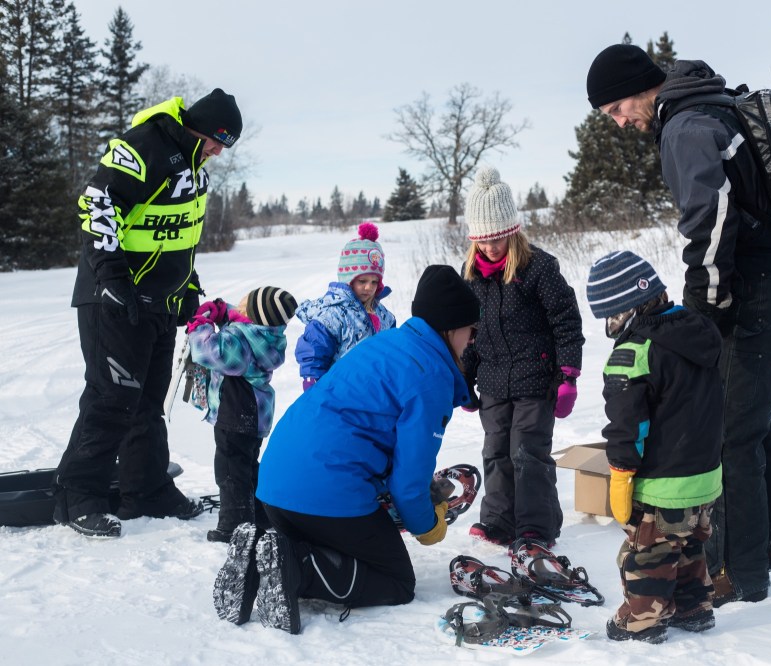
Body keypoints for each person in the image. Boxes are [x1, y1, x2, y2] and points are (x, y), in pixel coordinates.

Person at [587, 46, 771, 605]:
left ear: (644, 87)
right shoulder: (703, 107)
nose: (620, 122)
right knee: (748, 410)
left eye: (618, 107)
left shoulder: (685, 127)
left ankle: (739, 574)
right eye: (609, 116)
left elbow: (709, 223)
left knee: (730, 429)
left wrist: (701, 309)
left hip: (766, 281)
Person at [212, 265, 480, 635]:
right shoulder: (430, 374)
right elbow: (408, 481)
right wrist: (427, 524)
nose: (472, 339)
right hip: (324, 492)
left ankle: (263, 549)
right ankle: (297, 567)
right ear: (451, 328)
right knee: (397, 581)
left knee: (331, 532)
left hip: (273, 485)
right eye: (471, 329)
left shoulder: (385, 343)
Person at [53, 88, 243, 538]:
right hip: (112, 298)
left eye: (225, 145)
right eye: (217, 140)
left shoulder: (195, 170)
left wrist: (188, 287)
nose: (218, 151)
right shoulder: (146, 144)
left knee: (147, 402)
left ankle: (147, 490)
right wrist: (114, 278)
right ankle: (78, 497)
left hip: (158, 303)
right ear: (199, 127)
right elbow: (97, 204)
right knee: (111, 398)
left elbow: (179, 236)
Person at [587, 250, 723, 644]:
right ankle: (695, 608)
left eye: (611, 316)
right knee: (687, 547)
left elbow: (628, 426)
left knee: (647, 554)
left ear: (628, 309)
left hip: (662, 483)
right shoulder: (698, 330)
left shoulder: (633, 354)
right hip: (706, 476)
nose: (610, 327)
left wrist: (620, 477)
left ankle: (642, 620)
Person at [460, 165, 585, 549]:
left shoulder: (538, 268)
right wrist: (464, 377)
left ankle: (536, 527)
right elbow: (469, 334)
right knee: (496, 451)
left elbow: (566, 320)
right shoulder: (470, 277)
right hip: (494, 382)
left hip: (536, 380)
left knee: (527, 452)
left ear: (513, 232)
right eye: (483, 241)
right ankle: (498, 521)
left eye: (497, 239)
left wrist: (568, 375)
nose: (490, 248)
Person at [187, 286, 298, 544]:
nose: (238, 306)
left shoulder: (242, 342)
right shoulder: (266, 335)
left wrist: (199, 326)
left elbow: (208, 351)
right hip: (254, 413)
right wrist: (222, 311)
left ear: (253, 314)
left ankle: (234, 526)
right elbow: (239, 319)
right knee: (246, 467)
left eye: (244, 304)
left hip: (236, 411)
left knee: (229, 470)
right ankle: (262, 513)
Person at [294, 222, 396, 391]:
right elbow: (313, 353)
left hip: (373, 393)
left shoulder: (384, 316)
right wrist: (313, 387)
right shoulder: (332, 315)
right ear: (348, 279)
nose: (368, 287)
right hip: (338, 393)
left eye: (374, 282)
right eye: (362, 281)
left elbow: (391, 353)